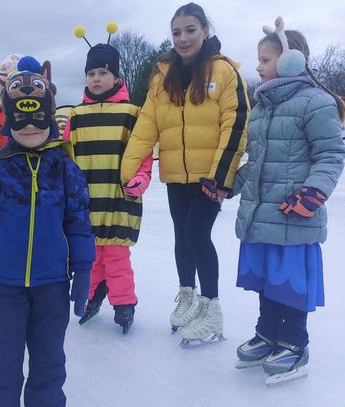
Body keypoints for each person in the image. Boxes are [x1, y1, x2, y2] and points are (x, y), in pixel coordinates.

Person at [0, 56, 95, 407]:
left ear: (50, 116)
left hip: (52, 285)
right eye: (21, 116)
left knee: (50, 365)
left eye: (38, 116)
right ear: (8, 121)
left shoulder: (65, 168)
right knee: (2, 368)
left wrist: (83, 269)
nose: (31, 126)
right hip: (4, 287)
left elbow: (79, 222)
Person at [121, 2, 249, 345]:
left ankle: (213, 310)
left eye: (190, 30)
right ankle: (189, 296)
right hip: (177, 173)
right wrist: (129, 168)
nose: (183, 38)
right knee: (182, 235)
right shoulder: (164, 76)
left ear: (206, 30)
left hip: (209, 176)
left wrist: (221, 176)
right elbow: (148, 123)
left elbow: (234, 124)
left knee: (197, 234)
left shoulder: (224, 72)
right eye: (176, 32)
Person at [232, 17, 345, 384]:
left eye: (265, 59)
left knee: (289, 282)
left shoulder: (315, 102)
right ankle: (268, 334)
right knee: (267, 280)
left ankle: (295, 344)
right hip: (263, 214)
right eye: (259, 59)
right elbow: (258, 161)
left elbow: (330, 154)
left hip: (295, 214)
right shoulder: (263, 106)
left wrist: (311, 195)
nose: (259, 66)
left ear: (291, 61)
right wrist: (228, 184)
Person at [65, 23, 152, 334]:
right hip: (87, 200)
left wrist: (141, 179)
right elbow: (68, 158)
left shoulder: (132, 113)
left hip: (118, 198)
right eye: (91, 74)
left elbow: (142, 154)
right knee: (89, 255)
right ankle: (92, 295)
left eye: (103, 73)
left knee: (115, 255)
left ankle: (124, 303)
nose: (96, 79)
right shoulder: (75, 116)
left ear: (116, 77)